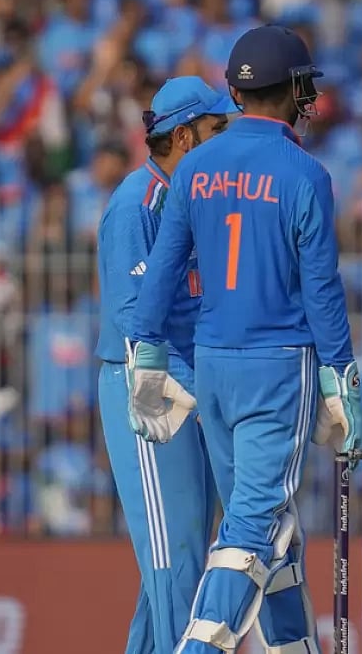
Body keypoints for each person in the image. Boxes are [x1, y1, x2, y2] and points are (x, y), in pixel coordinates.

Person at [125, 25, 362, 654]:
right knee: (254, 529)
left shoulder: (195, 167)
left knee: (263, 523)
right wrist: (342, 375)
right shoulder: (305, 173)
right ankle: (199, 647)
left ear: (234, 92)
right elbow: (322, 287)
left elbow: (165, 267)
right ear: (293, 89)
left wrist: (147, 352)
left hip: (212, 366)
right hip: (277, 368)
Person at [96, 75, 234, 654]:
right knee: (175, 562)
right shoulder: (137, 203)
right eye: (216, 129)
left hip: (191, 388)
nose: (225, 138)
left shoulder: (198, 196)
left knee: (180, 563)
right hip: (148, 389)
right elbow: (135, 318)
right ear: (184, 137)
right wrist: (194, 388)